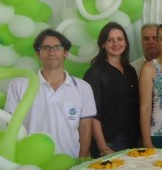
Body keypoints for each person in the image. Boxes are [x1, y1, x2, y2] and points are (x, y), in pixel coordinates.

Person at [5, 29, 96, 158]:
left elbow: (85, 126)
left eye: (57, 47)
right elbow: (10, 124)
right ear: (38, 53)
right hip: (30, 160)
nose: (52, 52)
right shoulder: (19, 85)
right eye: (46, 48)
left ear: (66, 53)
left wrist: (82, 157)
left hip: (69, 159)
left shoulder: (83, 87)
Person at [84, 22, 140, 157]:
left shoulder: (130, 70)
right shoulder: (95, 73)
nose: (116, 43)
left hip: (132, 138)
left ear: (126, 43)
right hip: (109, 142)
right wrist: (103, 147)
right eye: (110, 40)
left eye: (120, 39)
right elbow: (92, 114)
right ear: (102, 44)